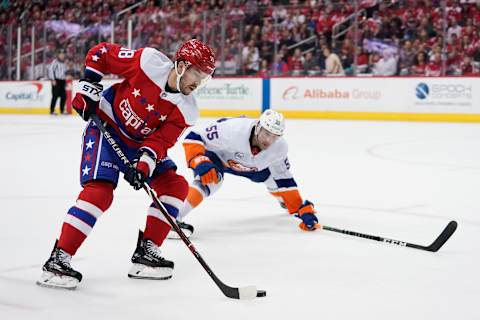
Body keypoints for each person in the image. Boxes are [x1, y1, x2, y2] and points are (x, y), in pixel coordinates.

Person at [37, 39, 215, 289]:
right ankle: (58, 260)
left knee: (175, 187)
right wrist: (89, 86)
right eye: (198, 74)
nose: (198, 84)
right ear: (183, 66)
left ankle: (147, 253)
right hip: (106, 127)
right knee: (99, 193)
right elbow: (101, 53)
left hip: (137, 144)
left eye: (205, 78)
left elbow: (159, 141)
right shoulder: (148, 62)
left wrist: (144, 165)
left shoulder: (187, 110)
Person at [169, 110, 318, 239]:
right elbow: (194, 137)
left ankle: (285, 202)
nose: (269, 140)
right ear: (258, 127)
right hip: (218, 157)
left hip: (250, 166)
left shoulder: (279, 147)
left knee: (272, 178)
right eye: (266, 133)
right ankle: (173, 217)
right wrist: (199, 160)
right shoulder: (233, 130)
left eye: (275, 136)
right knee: (210, 181)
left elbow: (284, 177)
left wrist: (299, 207)